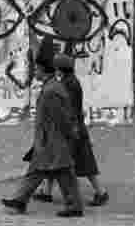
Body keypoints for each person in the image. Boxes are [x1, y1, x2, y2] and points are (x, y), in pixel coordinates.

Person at [1, 41, 84, 217]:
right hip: (48, 139)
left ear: (43, 70)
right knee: (38, 171)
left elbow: (61, 117)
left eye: (37, 69)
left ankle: (74, 206)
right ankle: (19, 201)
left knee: (62, 172)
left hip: (53, 139)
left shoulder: (52, 90)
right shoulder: (51, 86)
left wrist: (69, 135)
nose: (35, 72)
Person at [35, 53, 108, 206]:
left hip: (73, 129)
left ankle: (100, 192)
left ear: (59, 69)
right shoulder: (72, 82)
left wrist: (68, 128)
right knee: (62, 159)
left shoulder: (68, 85)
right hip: (75, 127)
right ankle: (47, 191)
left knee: (78, 162)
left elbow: (67, 109)